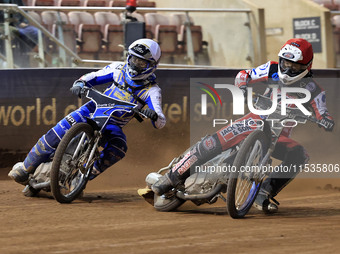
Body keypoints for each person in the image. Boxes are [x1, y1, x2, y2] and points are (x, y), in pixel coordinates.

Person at [151, 38, 335, 213]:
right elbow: (244, 75)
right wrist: (243, 84)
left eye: (294, 66)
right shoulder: (271, 68)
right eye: (286, 63)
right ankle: (172, 177)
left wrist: (325, 120)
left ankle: (264, 191)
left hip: (278, 135)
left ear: (306, 66)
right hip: (255, 119)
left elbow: (322, 111)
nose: (288, 69)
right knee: (215, 141)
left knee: (300, 154)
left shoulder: (315, 90)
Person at [8, 38, 166, 185]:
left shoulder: (152, 90)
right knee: (58, 131)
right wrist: (80, 83)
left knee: (119, 148)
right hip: (91, 110)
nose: (135, 65)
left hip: (112, 125)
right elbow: (94, 77)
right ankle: (25, 168)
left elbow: (160, 122)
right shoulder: (118, 69)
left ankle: (80, 179)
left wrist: (154, 115)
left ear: (151, 66)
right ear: (128, 57)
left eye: (141, 63)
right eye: (133, 59)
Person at [0, 0, 38, 66]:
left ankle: (25, 59)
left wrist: (23, 21)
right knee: (11, 32)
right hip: (3, 25)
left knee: (35, 32)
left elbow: (22, 10)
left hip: (16, 24)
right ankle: (6, 59)